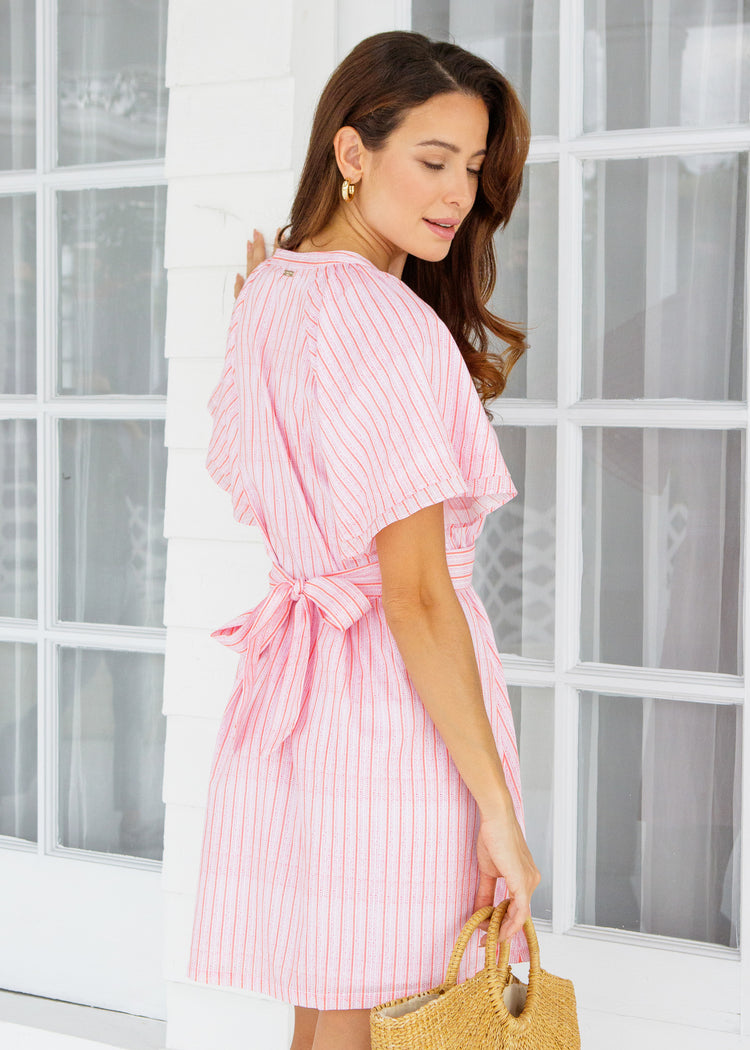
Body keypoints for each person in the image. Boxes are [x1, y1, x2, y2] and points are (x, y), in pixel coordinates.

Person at [187, 29, 541, 1050]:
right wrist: (497, 812)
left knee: (334, 1017)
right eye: (431, 162)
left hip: (303, 705)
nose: (456, 195)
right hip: (393, 716)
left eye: (473, 171)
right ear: (352, 153)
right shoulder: (384, 324)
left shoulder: (273, 293)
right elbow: (418, 594)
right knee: (411, 1017)